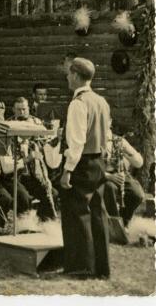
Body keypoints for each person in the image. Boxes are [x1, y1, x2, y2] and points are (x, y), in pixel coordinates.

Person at [60, 57, 110, 279]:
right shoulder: (101, 102)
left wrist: (67, 170)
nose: (67, 78)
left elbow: (77, 141)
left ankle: (81, 268)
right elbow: (106, 136)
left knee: (77, 214)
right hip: (99, 162)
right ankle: (101, 268)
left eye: (69, 74)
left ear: (77, 76)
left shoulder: (78, 103)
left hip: (82, 164)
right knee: (98, 214)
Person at [10, 97, 58, 220]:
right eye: (18, 109)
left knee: (50, 192)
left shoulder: (36, 123)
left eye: (24, 109)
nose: (21, 112)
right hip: (16, 173)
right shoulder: (8, 125)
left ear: (28, 109)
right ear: (13, 110)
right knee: (24, 196)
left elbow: (47, 142)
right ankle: (25, 224)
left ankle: (44, 222)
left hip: (34, 171)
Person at [103, 132, 145, 226]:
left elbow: (139, 163)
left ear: (110, 122)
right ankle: (114, 224)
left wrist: (127, 155)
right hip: (102, 175)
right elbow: (89, 167)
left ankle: (124, 222)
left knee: (137, 194)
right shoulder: (92, 139)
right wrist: (108, 176)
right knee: (109, 188)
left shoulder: (119, 140)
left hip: (121, 173)